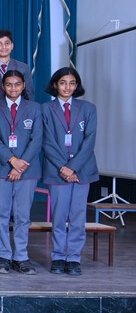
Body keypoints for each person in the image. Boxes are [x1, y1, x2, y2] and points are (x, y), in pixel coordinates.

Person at [42, 67, 98, 276]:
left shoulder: (88, 108)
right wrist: (63, 167)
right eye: (63, 82)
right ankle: (58, 256)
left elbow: (89, 140)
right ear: (55, 85)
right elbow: (46, 141)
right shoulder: (45, 109)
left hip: (82, 171)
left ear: (77, 86)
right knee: (59, 216)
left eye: (72, 83)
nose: (67, 87)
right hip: (57, 171)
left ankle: (73, 258)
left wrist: (73, 167)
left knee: (77, 217)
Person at [0, 70, 43, 275]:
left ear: (23, 86)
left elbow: (37, 139)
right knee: (1, 214)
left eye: (17, 84)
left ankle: (21, 256)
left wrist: (21, 165)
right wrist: (12, 161)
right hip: (1, 168)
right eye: (9, 84)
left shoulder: (35, 108)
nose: (13, 88)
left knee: (22, 216)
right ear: (3, 86)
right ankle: (3, 255)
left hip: (27, 170)